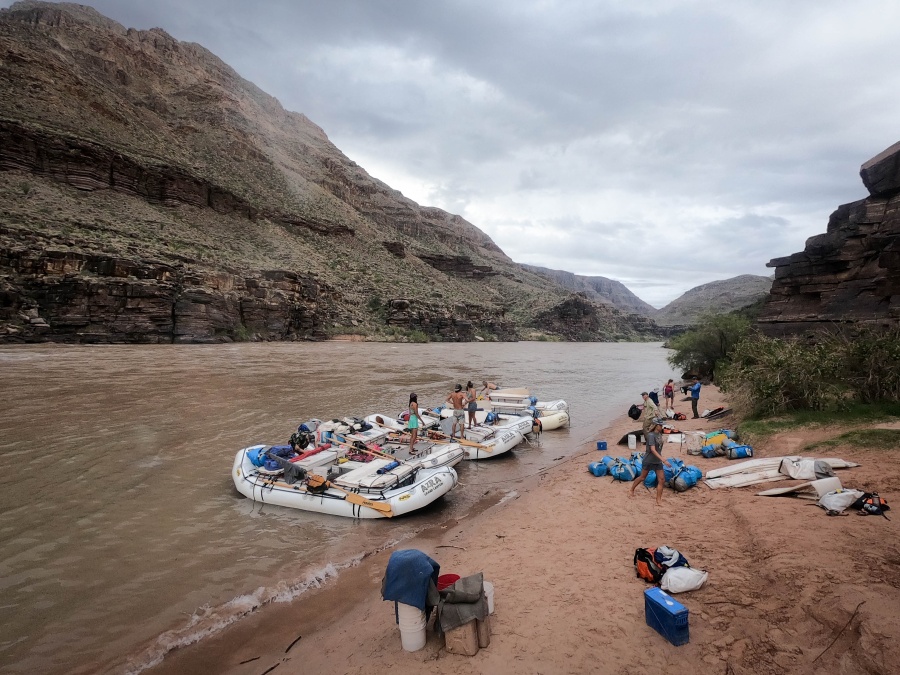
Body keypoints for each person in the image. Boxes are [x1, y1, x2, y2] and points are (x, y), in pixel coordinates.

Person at [628, 422, 672, 506]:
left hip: (657, 461)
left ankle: (658, 500)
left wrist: (660, 458)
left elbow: (658, 449)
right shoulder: (651, 435)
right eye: (660, 425)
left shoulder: (659, 434)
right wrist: (663, 459)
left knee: (662, 480)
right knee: (642, 477)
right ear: (655, 426)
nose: (661, 427)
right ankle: (631, 489)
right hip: (649, 460)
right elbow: (653, 449)